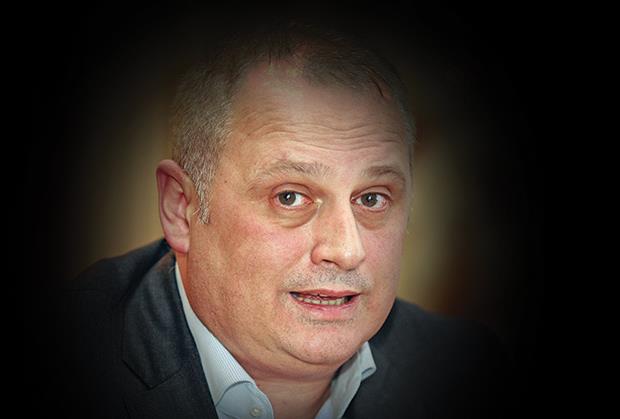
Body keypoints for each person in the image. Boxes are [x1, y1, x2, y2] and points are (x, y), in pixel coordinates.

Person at [55, 22, 513, 419]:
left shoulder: (466, 372)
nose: (346, 249)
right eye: (290, 197)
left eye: (371, 198)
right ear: (181, 208)